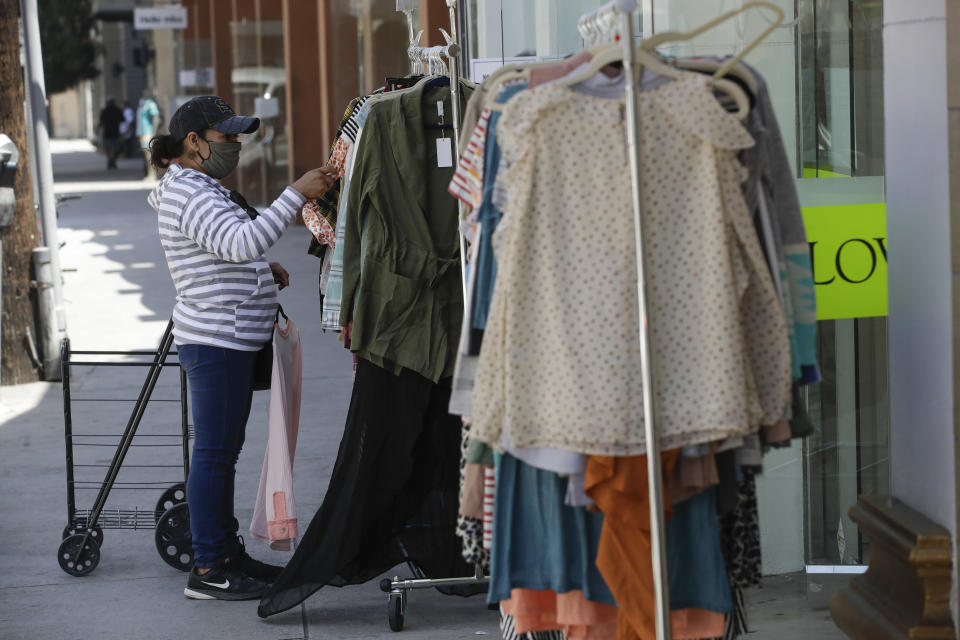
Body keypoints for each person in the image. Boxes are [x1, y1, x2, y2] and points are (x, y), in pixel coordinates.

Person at [146, 95, 336, 601]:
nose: (235, 146)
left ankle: (225, 554)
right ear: (194, 142)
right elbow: (239, 244)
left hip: (226, 338)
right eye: (226, 137)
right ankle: (210, 568)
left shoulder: (198, 187)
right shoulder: (191, 193)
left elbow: (225, 250)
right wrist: (294, 194)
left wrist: (258, 272)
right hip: (215, 341)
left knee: (222, 453)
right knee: (214, 455)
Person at [137, 91, 162, 179]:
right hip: (143, 133)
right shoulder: (143, 105)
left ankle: (152, 175)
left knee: (149, 155)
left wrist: (153, 133)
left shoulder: (150, 104)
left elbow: (156, 117)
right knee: (146, 155)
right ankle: (148, 173)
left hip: (148, 133)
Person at [97, 98, 124, 169]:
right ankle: (112, 161)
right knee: (114, 148)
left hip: (107, 133)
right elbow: (122, 119)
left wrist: (98, 128)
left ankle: (110, 160)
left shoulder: (104, 110)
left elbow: (101, 121)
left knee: (107, 148)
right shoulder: (117, 110)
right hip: (115, 132)